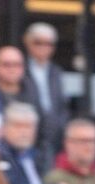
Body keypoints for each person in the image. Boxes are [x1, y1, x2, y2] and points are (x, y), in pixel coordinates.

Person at [0, 103, 64, 184]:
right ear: (4, 128)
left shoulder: (41, 155)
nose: (23, 132)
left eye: (28, 126)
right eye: (18, 126)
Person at [20, 22, 66, 158]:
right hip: (28, 134)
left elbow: (62, 105)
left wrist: (60, 126)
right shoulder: (20, 68)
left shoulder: (57, 72)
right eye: (38, 42)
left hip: (54, 138)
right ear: (27, 42)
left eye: (49, 44)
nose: (44, 47)